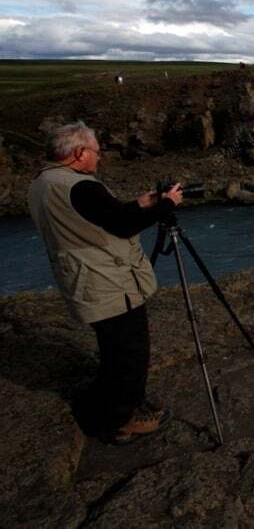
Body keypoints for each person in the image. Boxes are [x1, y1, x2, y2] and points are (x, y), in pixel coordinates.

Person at [27, 121, 183, 443]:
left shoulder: (43, 182)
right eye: (96, 152)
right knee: (130, 354)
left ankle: (106, 405)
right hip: (107, 283)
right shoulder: (82, 186)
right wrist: (167, 205)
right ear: (79, 152)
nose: (98, 159)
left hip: (83, 280)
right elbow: (122, 226)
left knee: (113, 351)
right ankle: (119, 421)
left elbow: (96, 219)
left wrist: (138, 205)